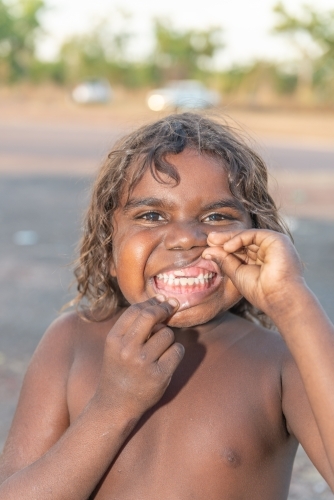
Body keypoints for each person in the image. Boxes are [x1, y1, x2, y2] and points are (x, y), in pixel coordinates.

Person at [0, 112, 333, 499]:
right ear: (108, 249)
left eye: (217, 216)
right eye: (152, 215)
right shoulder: (70, 340)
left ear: (255, 240)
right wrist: (114, 404)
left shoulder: (280, 363)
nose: (185, 238)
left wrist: (291, 302)